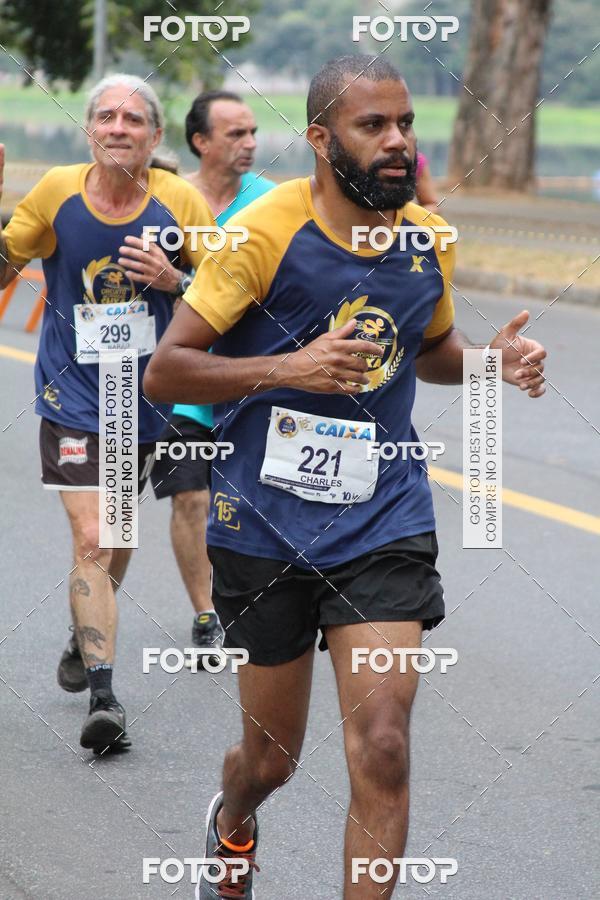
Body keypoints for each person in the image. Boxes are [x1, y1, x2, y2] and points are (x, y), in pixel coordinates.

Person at [144, 55, 546, 899]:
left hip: (382, 521)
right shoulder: (261, 234)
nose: (399, 143)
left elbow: (427, 352)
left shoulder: (425, 238)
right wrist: (293, 368)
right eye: (375, 127)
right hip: (262, 525)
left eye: (405, 124)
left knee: (385, 745)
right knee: (271, 759)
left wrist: (489, 364)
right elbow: (168, 372)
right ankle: (232, 819)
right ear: (322, 139)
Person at [0, 74, 214, 754]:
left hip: (139, 402)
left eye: (134, 117)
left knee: (116, 538)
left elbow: (229, 293)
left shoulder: (181, 202)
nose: (119, 126)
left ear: (155, 136)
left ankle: (83, 628)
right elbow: (6, 272)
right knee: (94, 536)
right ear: (90, 130)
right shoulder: (57, 193)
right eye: (106, 116)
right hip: (71, 396)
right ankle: (105, 697)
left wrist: (175, 280)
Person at [150, 90, 275, 660]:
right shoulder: (167, 202)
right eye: (235, 134)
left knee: (250, 504)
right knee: (189, 496)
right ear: (200, 142)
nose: (250, 144)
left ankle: (263, 602)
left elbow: (272, 298)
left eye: (252, 133)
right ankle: (206, 614)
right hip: (184, 385)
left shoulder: (270, 206)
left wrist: (176, 282)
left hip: (251, 381)